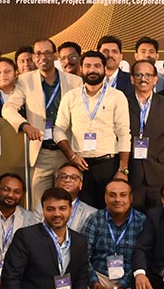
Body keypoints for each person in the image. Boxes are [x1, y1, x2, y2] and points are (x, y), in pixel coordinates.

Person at [2, 38, 82, 207]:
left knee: (66, 204)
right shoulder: (25, 80)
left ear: (55, 55)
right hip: (41, 153)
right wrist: (25, 125)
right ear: (34, 57)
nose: (43, 57)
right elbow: (8, 109)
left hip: (67, 152)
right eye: (38, 53)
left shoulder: (75, 81)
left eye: (47, 52)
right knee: (38, 207)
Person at [55, 51, 132, 209]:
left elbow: (124, 133)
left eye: (97, 66)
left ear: (104, 69)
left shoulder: (117, 97)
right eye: (88, 66)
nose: (92, 70)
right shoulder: (70, 97)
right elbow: (58, 130)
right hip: (79, 165)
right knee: (80, 212)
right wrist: (71, 155)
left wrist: (123, 169)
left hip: (108, 164)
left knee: (109, 212)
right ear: (81, 69)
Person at [126, 59, 164, 211]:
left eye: (148, 75)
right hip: (132, 172)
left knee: (158, 216)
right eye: (139, 75)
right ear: (132, 79)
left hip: (159, 172)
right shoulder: (123, 101)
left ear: (155, 79)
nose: (143, 79)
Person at [44, 163, 99, 233]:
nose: (67, 180)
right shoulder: (42, 207)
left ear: (81, 185)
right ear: (55, 182)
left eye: (73, 177)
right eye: (63, 177)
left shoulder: (91, 213)